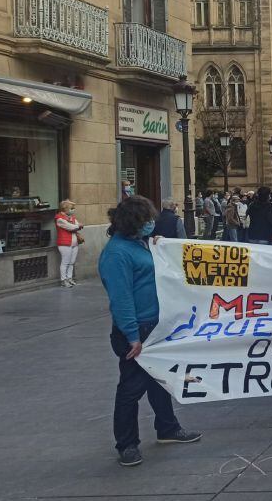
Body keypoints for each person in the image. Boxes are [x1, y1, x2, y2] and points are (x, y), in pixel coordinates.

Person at [99, 196, 202, 466]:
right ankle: (127, 443)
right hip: (137, 330)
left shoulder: (139, 244)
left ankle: (168, 427)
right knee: (131, 389)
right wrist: (132, 335)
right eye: (146, 221)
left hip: (155, 325)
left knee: (160, 381)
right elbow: (121, 299)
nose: (151, 224)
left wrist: (159, 246)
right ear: (132, 223)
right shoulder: (116, 254)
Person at [55, 199, 83, 287]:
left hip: (74, 243)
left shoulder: (72, 218)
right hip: (64, 243)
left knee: (72, 262)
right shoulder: (59, 218)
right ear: (65, 209)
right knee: (65, 262)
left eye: (73, 208)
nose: (73, 210)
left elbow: (76, 226)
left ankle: (69, 278)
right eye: (71, 208)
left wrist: (77, 226)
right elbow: (70, 227)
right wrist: (77, 226)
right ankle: (63, 280)